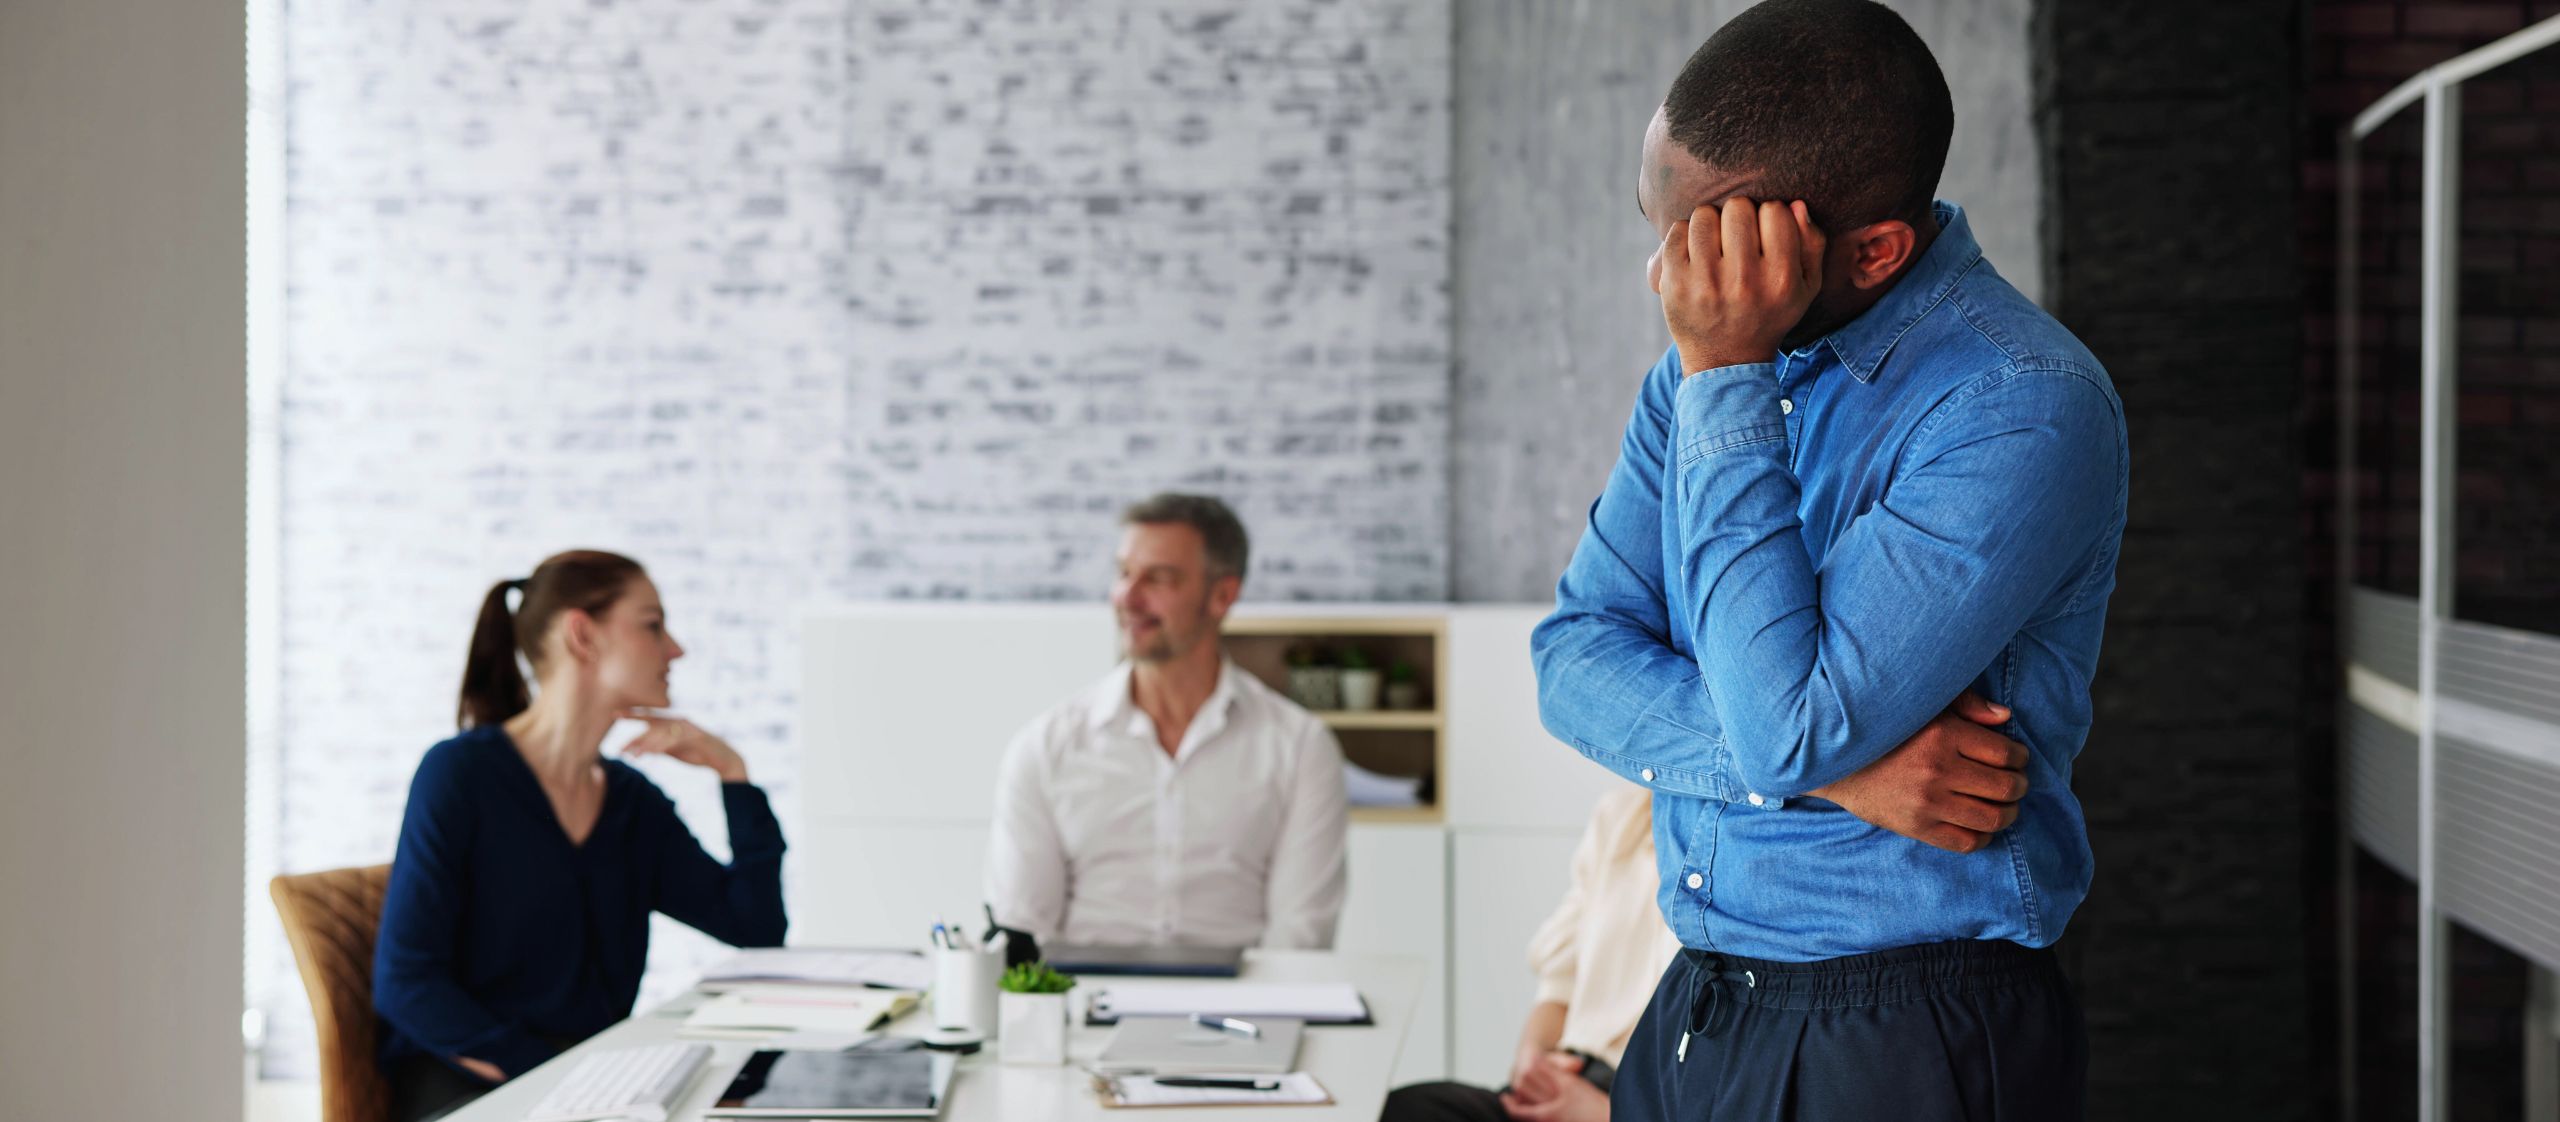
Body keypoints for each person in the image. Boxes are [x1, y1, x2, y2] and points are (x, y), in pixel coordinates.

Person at [1530, 1, 2128, 1118]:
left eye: (1713, 240)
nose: (1668, 279)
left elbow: (1784, 725)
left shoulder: (2018, 406)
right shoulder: (1697, 374)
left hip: (1904, 1032)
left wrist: (1722, 371)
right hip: (1700, 1003)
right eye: (1663, 232)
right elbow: (1569, 661)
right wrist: (1842, 772)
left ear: (1874, 251)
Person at [374, 550, 788, 1121]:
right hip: (469, 1085)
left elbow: (754, 927)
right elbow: (406, 983)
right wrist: (557, 1075)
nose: (676, 649)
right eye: (653, 625)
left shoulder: (629, 802)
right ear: (582, 635)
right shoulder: (461, 776)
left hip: (590, 1084)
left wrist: (733, 775)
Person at [985, 493, 1349, 950]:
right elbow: (1022, 933)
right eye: (1123, 573)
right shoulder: (1045, 746)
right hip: (1085, 1007)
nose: (1127, 598)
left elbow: (1301, 936)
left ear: (1222, 595)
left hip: (1241, 1009)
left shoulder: (1299, 747)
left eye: (1158, 578)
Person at [1381, 788, 1681, 1122]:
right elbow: (1560, 983)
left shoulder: (1739, 846)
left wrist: (1604, 1113)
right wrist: (1532, 1058)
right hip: (1571, 1079)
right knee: (1405, 1110)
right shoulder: (1624, 811)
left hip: (1650, 1107)